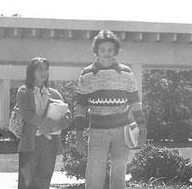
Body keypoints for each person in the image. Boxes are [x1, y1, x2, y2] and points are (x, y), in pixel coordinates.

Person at [74, 30, 147, 189]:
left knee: (119, 174)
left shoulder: (126, 72)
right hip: (97, 131)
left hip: (122, 131)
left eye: (110, 50)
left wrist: (142, 126)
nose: (106, 54)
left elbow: (135, 102)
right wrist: (79, 135)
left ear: (115, 51)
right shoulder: (86, 74)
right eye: (102, 50)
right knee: (94, 174)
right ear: (96, 51)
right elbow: (80, 106)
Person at [17, 57, 72, 189]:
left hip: (50, 145)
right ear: (31, 72)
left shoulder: (55, 93)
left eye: (46, 69)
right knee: (26, 183)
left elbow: (68, 116)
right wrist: (46, 122)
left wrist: (56, 125)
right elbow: (27, 114)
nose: (44, 72)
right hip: (30, 144)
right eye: (40, 69)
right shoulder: (24, 91)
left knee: (44, 181)